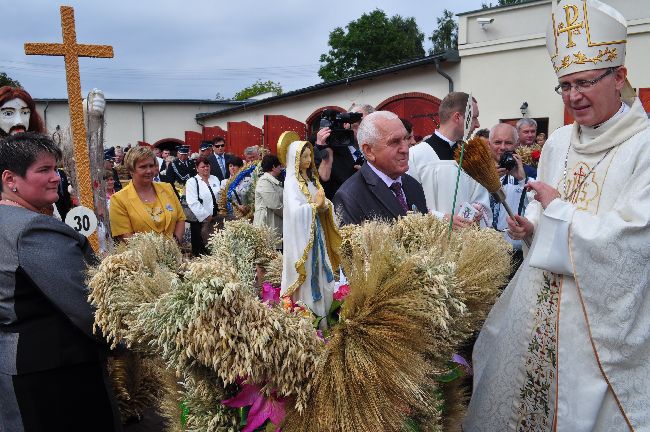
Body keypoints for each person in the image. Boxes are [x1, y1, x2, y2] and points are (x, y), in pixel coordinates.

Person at [464, 1, 650, 430]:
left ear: (619, 77)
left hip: (597, 326)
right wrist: (531, 228)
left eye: (584, 82)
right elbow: (541, 209)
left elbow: (635, 239)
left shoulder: (642, 146)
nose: (573, 96)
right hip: (537, 308)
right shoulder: (559, 142)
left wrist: (559, 212)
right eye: (564, 86)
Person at [0, 132, 121, 431]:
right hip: (52, 373)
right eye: (44, 170)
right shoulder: (33, 231)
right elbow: (86, 304)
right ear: (10, 179)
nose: (56, 178)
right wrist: (126, 342)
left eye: (56, 169)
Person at [279, 133, 341, 319]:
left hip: (317, 234)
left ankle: (326, 312)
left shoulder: (311, 181)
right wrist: (314, 206)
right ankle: (309, 315)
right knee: (308, 272)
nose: (308, 160)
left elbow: (321, 202)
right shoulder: (291, 184)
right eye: (304, 156)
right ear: (295, 159)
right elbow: (295, 212)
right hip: (303, 239)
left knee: (323, 270)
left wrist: (325, 205)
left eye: (309, 156)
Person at [407, 92, 491, 230]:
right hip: (430, 245)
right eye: (474, 118)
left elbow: (481, 200)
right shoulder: (415, 156)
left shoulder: (470, 157)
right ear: (457, 117)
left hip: (468, 245)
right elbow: (409, 206)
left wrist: (478, 210)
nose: (477, 124)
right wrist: (442, 219)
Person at [334, 111, 427, 225]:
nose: (405, 149)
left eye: (406, 138)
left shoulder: (413, 185)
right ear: (369, 151)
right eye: (394, 142)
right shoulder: (349, 198)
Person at [109, 146, 185, 242]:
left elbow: (180, 218)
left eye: (151, 165)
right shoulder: (118, 199)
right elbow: (126, 236)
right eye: (143, 167)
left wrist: (175, 243)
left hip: (172, 254)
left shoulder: (167, 188)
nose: (149, 171)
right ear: (131, 170)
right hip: (140, 255)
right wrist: (155, 252)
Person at [486, 123, 531, 272]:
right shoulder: (476, 175)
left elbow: (533, 210)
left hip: (517, 254)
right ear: (489, 144)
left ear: (517, 144)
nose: (503, 147)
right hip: (486, 251)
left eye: (508, 142)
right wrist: (488, 180)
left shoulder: (530, 175)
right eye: (498, 142)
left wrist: (522, 181)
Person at [316, 103, 374, 200]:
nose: (365, 128)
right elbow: (319, 192)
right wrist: (325, 158)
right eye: (360, 122)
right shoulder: (327, 149)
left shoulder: (377, 150)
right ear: (346, 123)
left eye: (369, 124)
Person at [185, 156, 221, 256]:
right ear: (197, 169)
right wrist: (206, 216)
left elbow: (220, 196)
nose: (206, 168)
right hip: (200, 222)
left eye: (207, 166)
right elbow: (193, 202)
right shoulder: (192, 182)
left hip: (215, 219)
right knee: (200, 250)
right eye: (203, 167)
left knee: (213, 247)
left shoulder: (215, 179)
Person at [253, 154, 284, 249]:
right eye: (279, 165)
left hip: (274, 223)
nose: (281, 168)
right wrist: (290, 215)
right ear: (273, 167)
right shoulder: (264, 182)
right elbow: (275, 205)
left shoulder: (273, 181)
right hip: (267, 225)